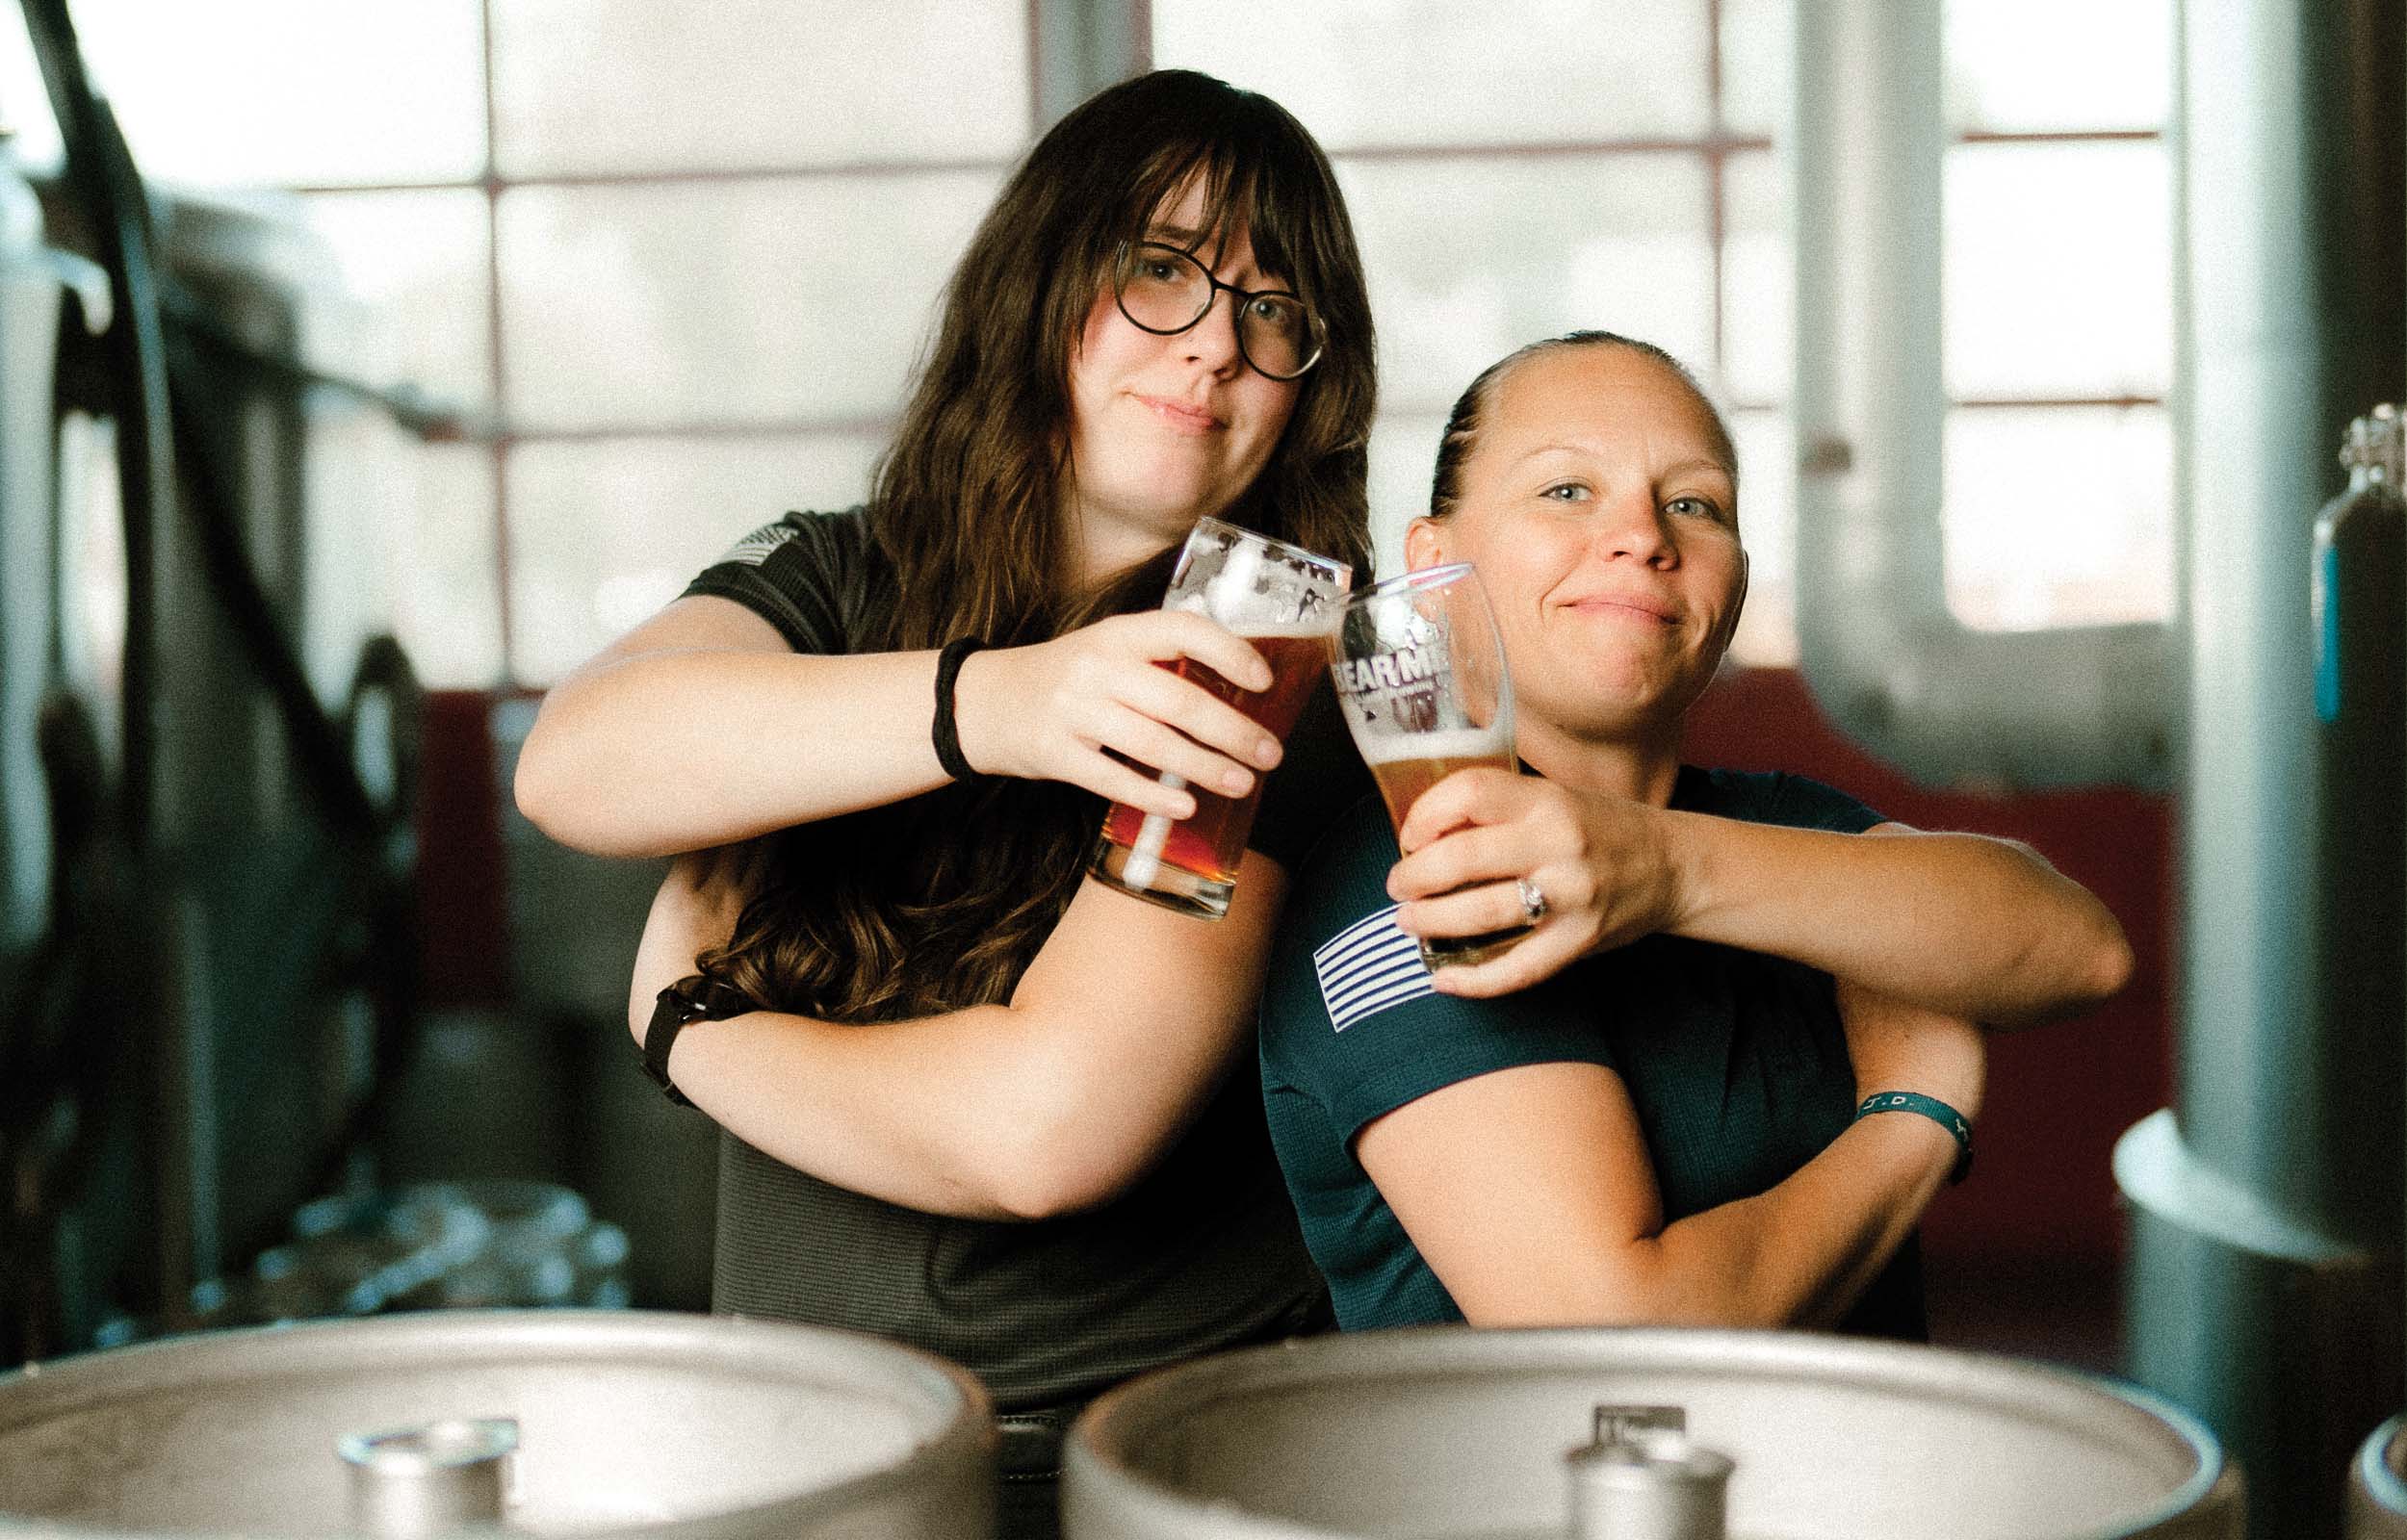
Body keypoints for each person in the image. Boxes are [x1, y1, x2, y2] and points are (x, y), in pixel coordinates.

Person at [511, 70, 1376, 1538]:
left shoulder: (1268, 674)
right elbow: (576, 764)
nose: (1217, 347)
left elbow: (1040, 1134)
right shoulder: (842, 576)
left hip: (1104, 1481)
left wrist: (693, 1032)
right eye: (1162, 271)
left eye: (1274, 310)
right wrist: (1006, 704)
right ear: (1043, 286)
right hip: (800, 1457)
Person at [1258, 331, 2134, 1335]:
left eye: (1692, 504)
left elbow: (2078, 947)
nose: (1642, 535)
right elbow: (1613, 1331)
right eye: (1564, 491)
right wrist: (1915, 1119)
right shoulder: (1417, 866)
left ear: (1733, 582)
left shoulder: (1770, 824)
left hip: (1848, 1488)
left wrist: (1665, 866)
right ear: (1433, 562)